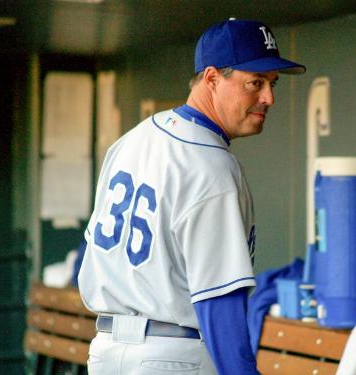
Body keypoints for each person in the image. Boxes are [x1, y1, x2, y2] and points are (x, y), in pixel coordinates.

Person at [78, 18, 305, 375]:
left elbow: (89, 254)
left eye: (272, 84)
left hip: (105, 351)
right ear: (212, 78)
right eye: (255, 83)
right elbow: (219, 301)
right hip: (171, 356)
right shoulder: (211, 165)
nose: (269, 98)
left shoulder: (132, 141)